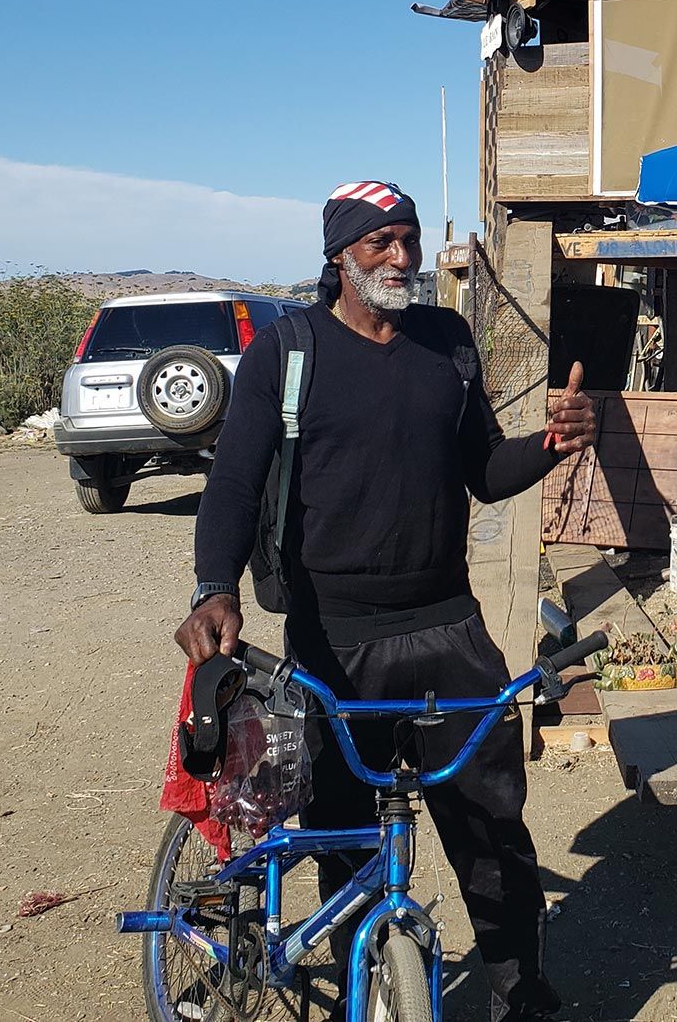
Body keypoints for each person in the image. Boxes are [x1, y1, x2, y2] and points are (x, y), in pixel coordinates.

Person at [173, 180, 594, 1022]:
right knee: (340, 832)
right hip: (333, 640)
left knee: (490, 830)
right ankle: (365, 986)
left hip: (448, 627)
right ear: (340, 255)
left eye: (407, 239)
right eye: (380, 242)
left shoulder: (446, 341)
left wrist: (546, 449)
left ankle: (521, 992)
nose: (401, 257)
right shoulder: (287, 355)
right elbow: (233, 484)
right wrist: (213, 588)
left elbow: (482, 470)